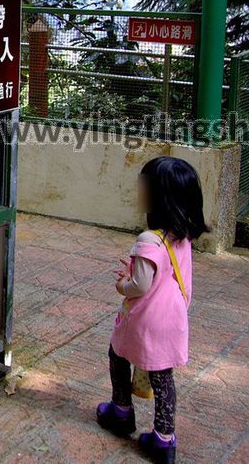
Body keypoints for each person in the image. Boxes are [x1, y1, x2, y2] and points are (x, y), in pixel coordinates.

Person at [96, 156, 208, 464]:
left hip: (146, 319)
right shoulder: (181, 236)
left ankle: (121, 411)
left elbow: (140, 286)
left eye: (143, 185)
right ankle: (163, 438)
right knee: (162, 378)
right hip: (173, 318)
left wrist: (123, 284)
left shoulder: (149, 239)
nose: (138, 190)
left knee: (117, 355)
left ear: (159, 197)